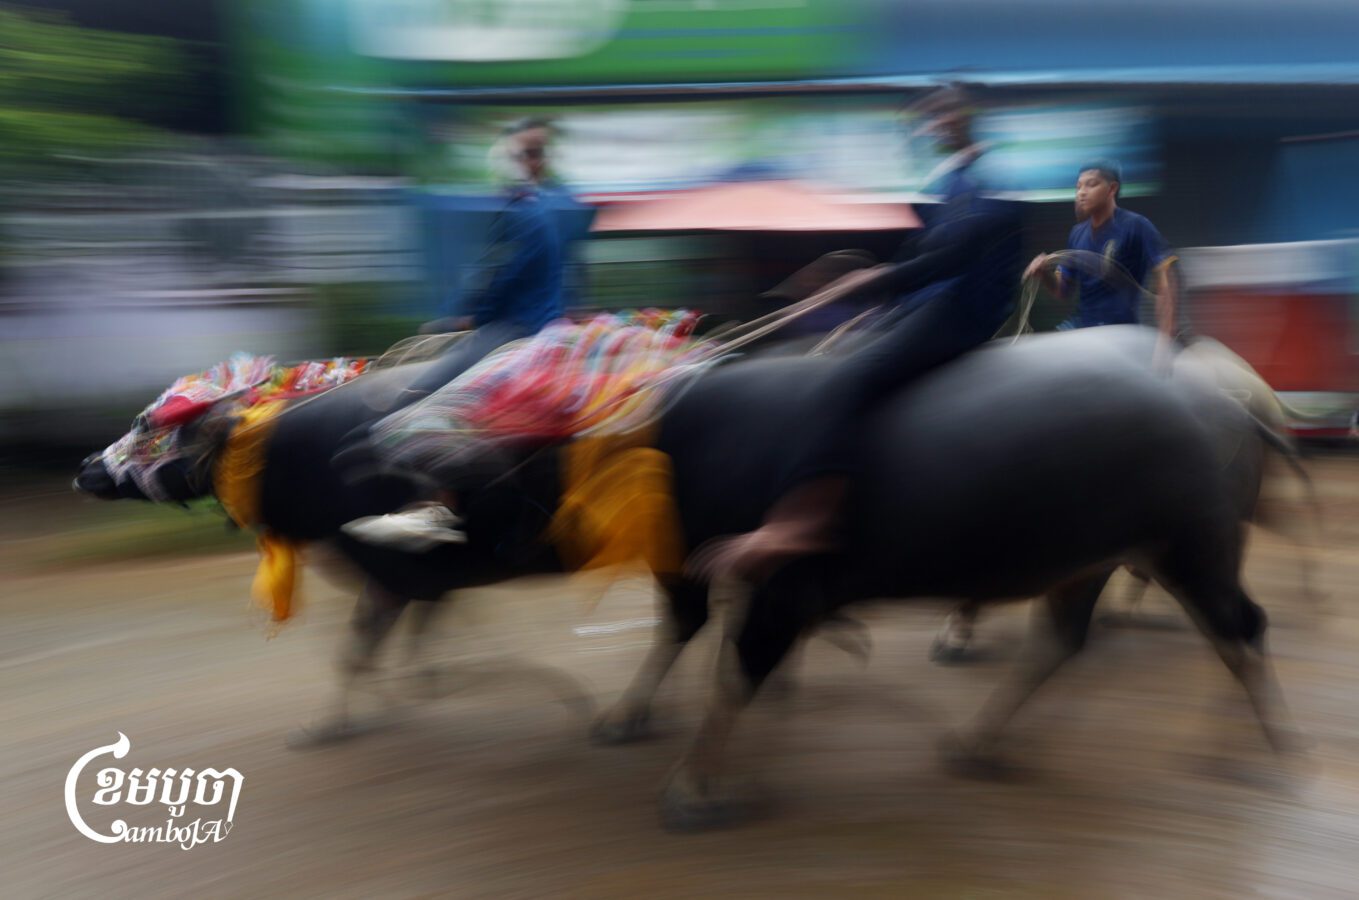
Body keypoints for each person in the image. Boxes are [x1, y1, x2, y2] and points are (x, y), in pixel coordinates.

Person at [688, 83, 1025, 581]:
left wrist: (878, 279)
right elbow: (925, 253)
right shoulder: (954, 181)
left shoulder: (985, 183)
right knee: (831, 359)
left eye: (945, 114)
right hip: (934, 301)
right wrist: (869, 287)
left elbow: (953, 258)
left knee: (845, 380)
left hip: (960, 311)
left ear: (972, 115)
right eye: (930, 118)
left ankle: (806, 521)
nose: (935, 125)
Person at [419, 117, 569, 339]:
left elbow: (502, 279)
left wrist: (472, 319)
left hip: (520, 330)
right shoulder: (538, 208)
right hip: (533, 324)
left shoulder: (524, 214)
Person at [1024, 160, 1178, 337]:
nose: (1081, 192)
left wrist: (1164, 342)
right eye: (1078, 187)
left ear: (1112, 189)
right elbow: (1062, 291)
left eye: (1091, 185)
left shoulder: (1136, 225)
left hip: (1121, 332)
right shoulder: (1077, 233)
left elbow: (1167, 281)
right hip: (1082, 328)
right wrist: (1043, 273)